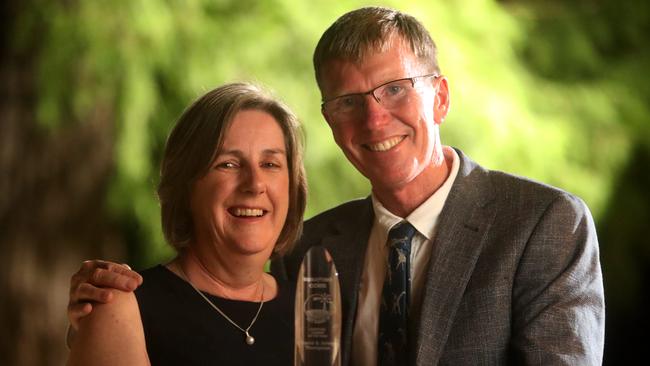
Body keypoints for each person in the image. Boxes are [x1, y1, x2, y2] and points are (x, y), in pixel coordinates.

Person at [67, 6, 605, 365]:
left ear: (440, 96)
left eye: (395, 89)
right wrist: (103, 315)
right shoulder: (308, 253)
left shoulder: (543, 225)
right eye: (349, 102)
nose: (373, 122)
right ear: (331, 121)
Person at [67, 82, 307, 365]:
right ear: (186, 186)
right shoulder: (120, 310)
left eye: (270, 164)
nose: (254, 184)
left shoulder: (312, 312)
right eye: (228, 164)